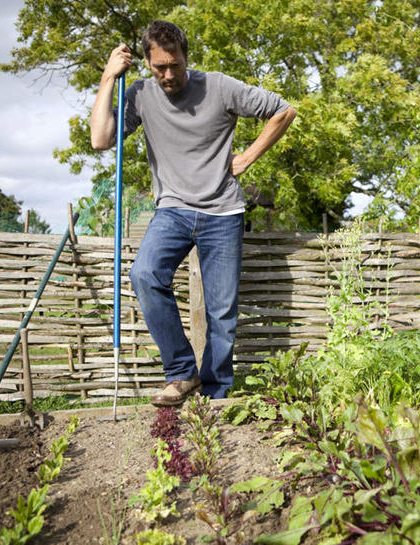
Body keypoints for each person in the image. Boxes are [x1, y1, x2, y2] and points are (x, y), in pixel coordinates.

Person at [90, 20, 296, 404]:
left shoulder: (219, 86)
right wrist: (107, 78)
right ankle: (182, 372)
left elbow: (284, 110)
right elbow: (101, 139)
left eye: (175, 65)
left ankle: (217, 396)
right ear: (148, 64)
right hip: (174, 209)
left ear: (186, 57)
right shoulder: (140, 95)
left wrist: (249, 155)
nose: (169, 75)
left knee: (222, 312)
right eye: (159, 67)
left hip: (223, 211)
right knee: (145, 274)